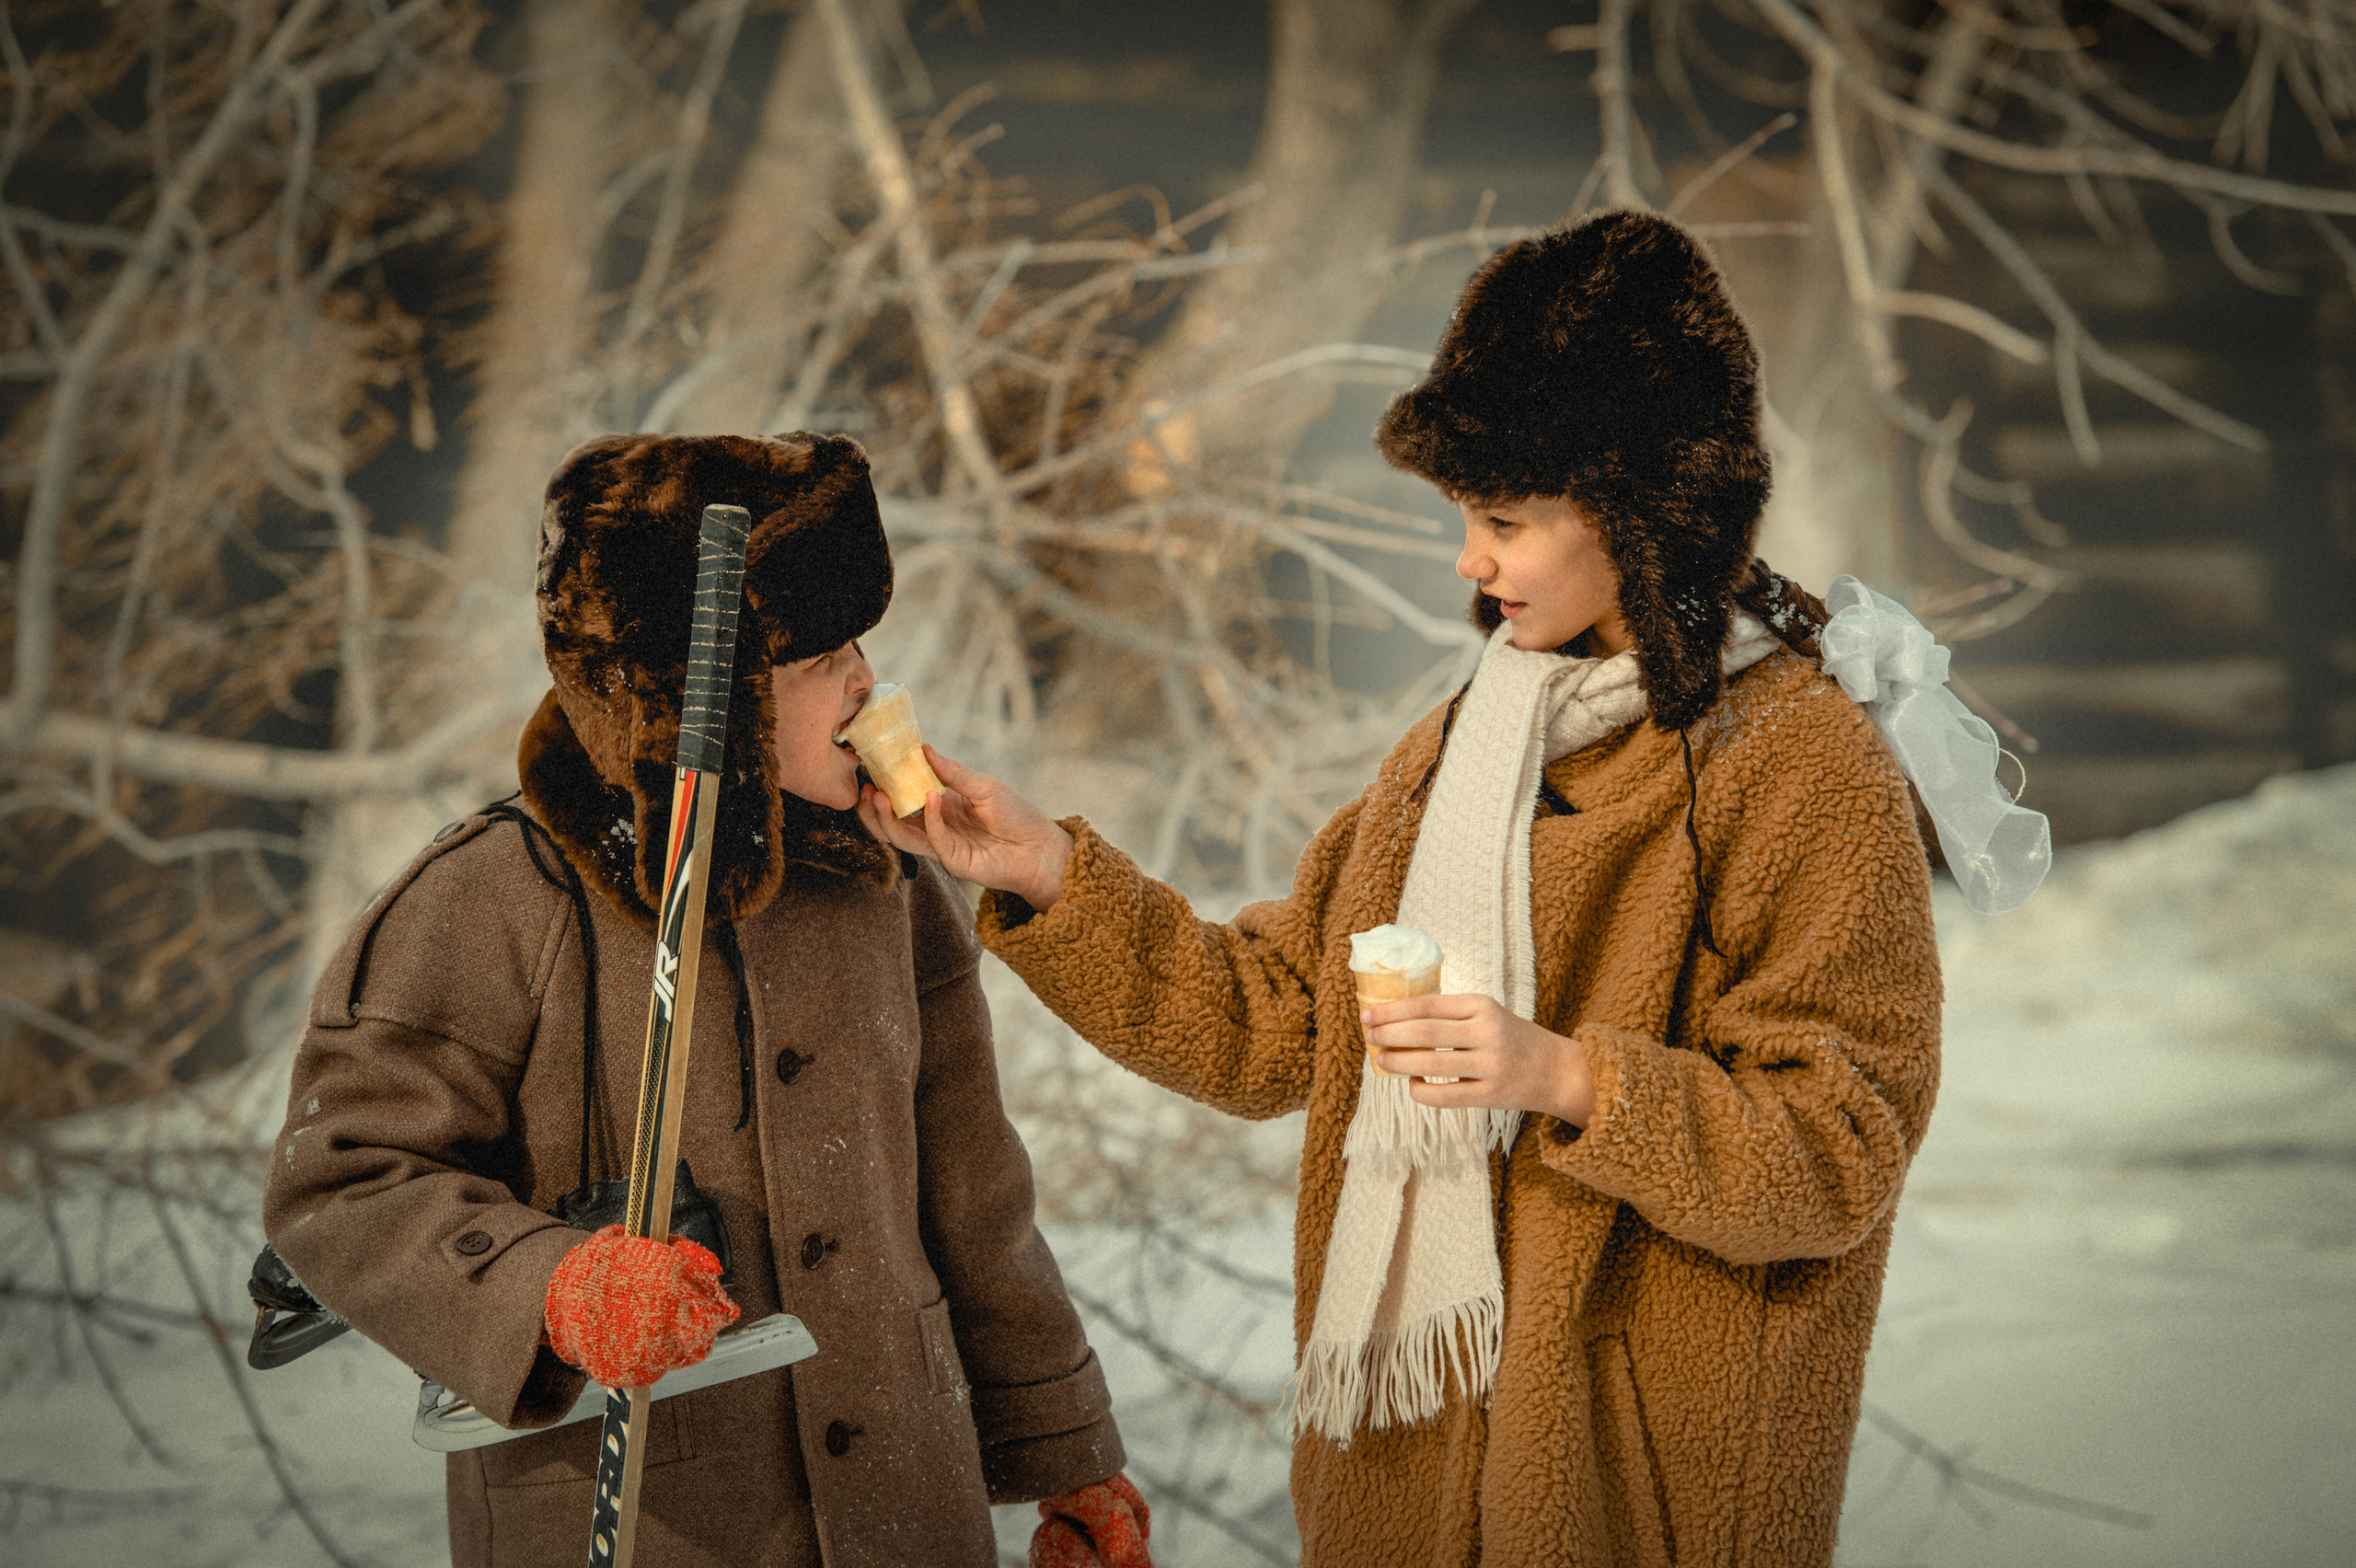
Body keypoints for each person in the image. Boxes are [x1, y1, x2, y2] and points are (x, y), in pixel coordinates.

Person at [859, 212, 1958, 1566]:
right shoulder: (1459, 749)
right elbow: (1283, 1026)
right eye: (1461, 518)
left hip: (1642, 1483)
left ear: (1640, 508)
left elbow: (1840, 1146)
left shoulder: (1797, 762)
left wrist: (1570, 1079)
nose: (1468, 563)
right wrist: (1052, 878)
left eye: (1502, 520)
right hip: (1412, 1472)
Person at [262, 433, 1151, 1568]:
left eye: (860, 643)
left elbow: (972, 1185)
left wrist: (1065, 1448)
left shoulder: (887, 883)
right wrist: (555, 1286)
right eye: (823, 655)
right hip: (659, 1520)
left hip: (908, 1512)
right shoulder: (487, 900)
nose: (868, 679)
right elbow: (343, 1180)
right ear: (700, 696)